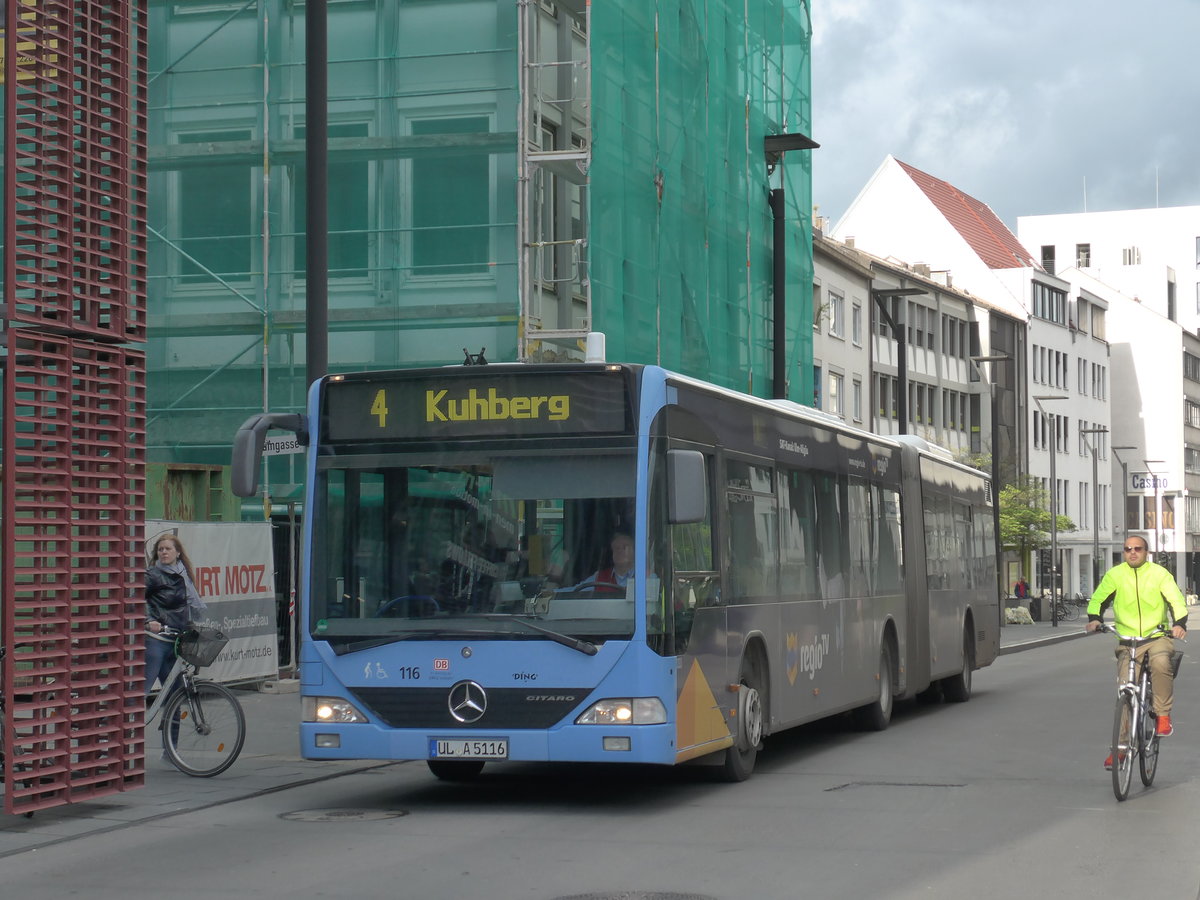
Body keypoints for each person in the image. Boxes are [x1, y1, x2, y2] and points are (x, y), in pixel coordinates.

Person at [1085, 534, 1187, 765]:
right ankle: (1121, 748)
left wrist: (1179, 624)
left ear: (1146, 552)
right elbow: (1099, 599)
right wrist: (1094, 618)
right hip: (1128, 639)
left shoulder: (1159, 574)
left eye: (1137, 548)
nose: (1132, 552)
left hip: (1156, 635)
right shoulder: (1115, 574)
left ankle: (1162, 715)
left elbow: (1176, 601)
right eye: (1128, 549)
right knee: (1124, 691)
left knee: (1161, 663)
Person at [144, 533, 206, 694]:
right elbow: (135, 598)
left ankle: (173, 720)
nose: (164, 552)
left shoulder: (183, 575)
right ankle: (129, 718)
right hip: (156, 641)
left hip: (175, 641)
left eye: (168, 549)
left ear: (177, 553)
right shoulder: (152, 575)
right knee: (141, 690)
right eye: (160, 549)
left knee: (175, 694)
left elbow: (187, 607)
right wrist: (148, 620)